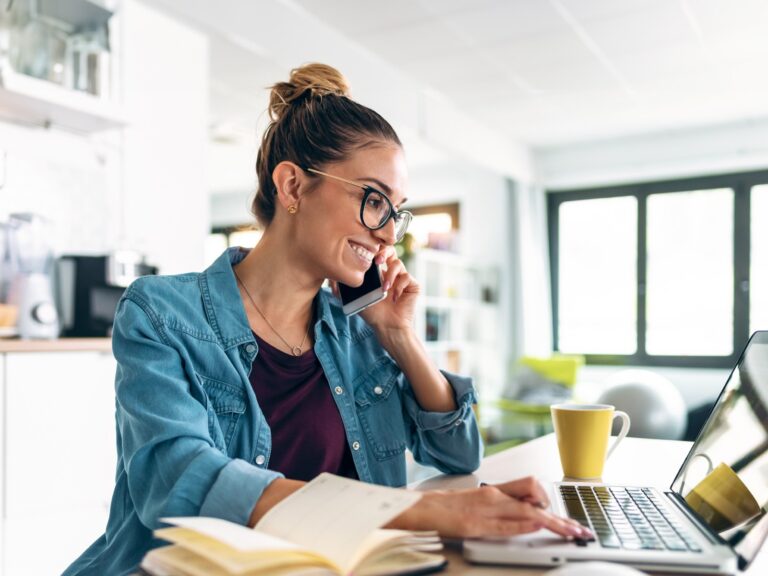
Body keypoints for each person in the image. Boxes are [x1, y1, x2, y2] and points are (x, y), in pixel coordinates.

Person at [64, 63, 589, 576]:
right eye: (373, 200)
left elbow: (458, 452)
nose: (388, 234)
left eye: (396, 211)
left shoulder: (358, 328)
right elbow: (176, 483)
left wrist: (399, 336)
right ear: (292, 187)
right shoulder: (161, 313)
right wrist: (426, 512)